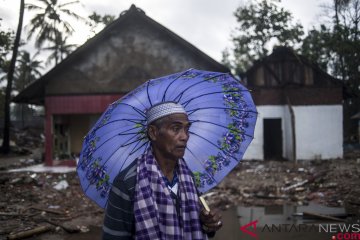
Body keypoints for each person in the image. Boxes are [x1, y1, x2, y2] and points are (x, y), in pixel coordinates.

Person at [102, 102, 222, 239]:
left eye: (186, 129)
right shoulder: (127, 183)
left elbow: (196, 225)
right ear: (153, 133)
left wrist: (207, 223)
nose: (185, 136)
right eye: (176, 129)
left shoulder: (187, 176)